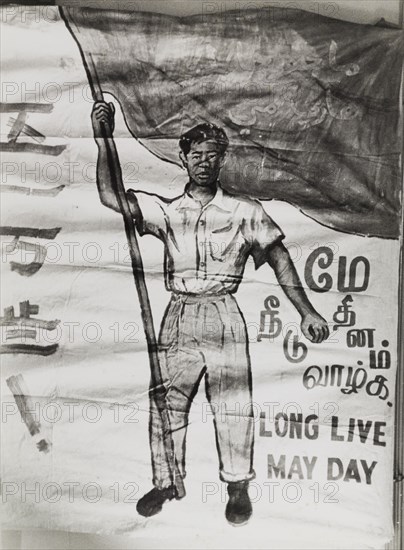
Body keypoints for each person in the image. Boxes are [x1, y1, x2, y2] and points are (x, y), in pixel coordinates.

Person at [91, 101, 329, 526]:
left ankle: (238, 485)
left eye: (212, 155)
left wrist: (306, 312)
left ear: (222, 160)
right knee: (167, 401)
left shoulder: (244, 211)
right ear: (183, 159)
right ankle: (166, 480)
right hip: (179, 315)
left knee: (234, 402)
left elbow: (279, 258)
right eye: (195, 155)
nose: (203, 162)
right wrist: (103, 137)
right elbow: (112, 195)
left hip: (223, 315)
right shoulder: (167, 211)